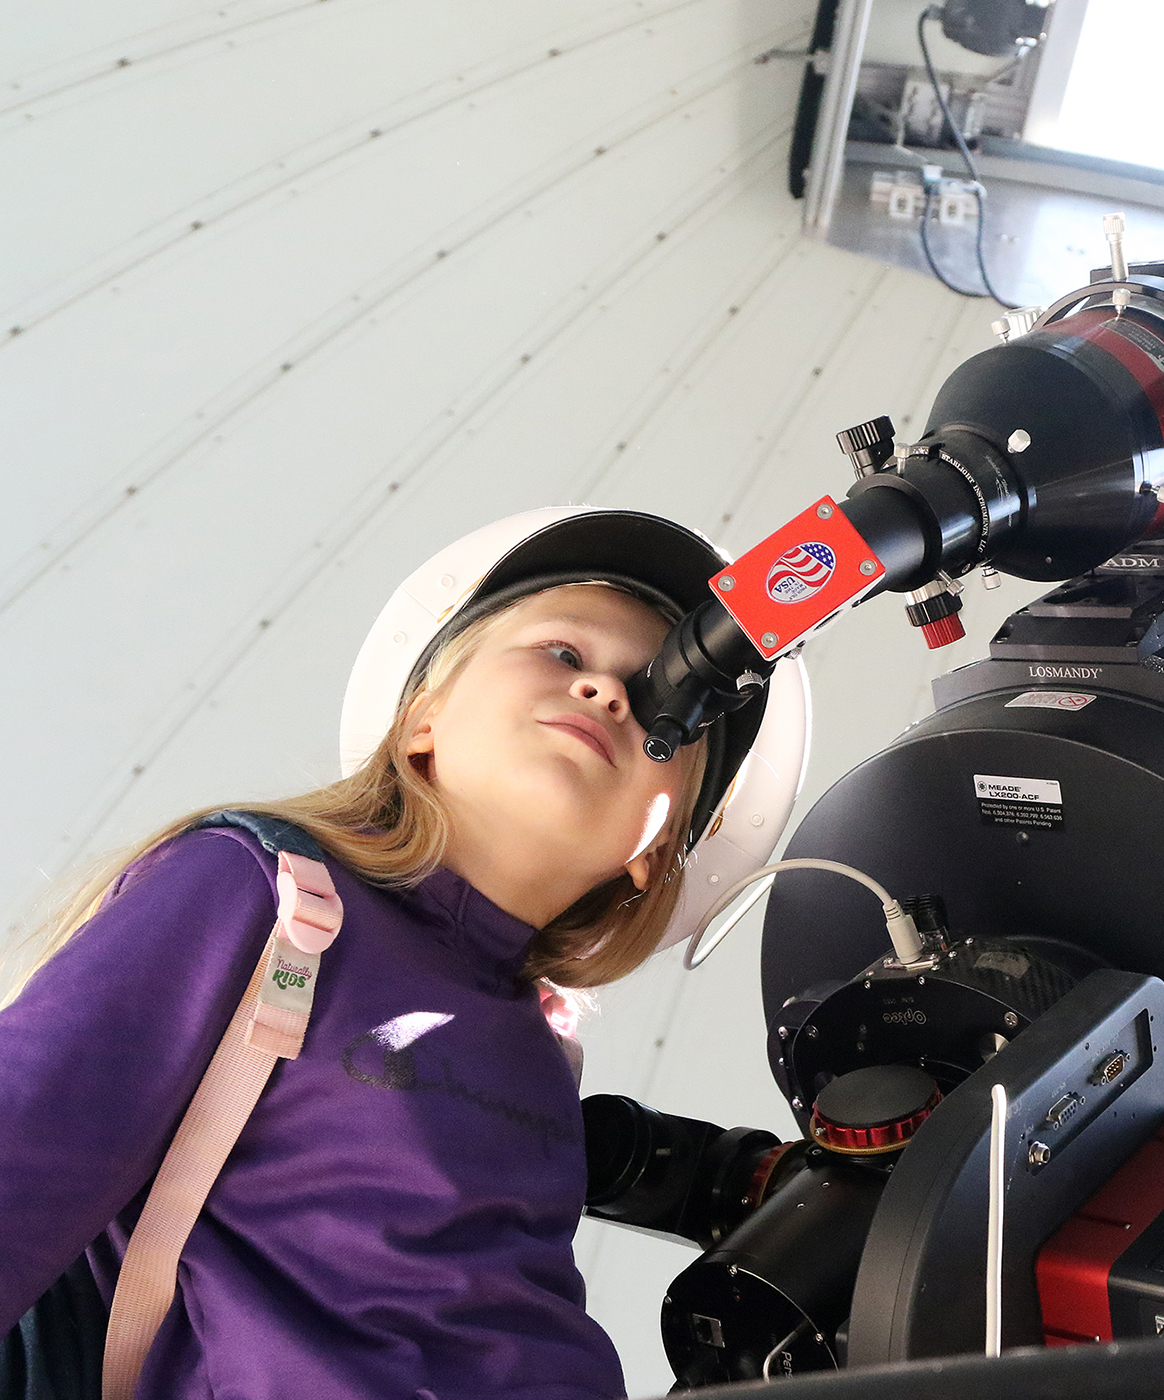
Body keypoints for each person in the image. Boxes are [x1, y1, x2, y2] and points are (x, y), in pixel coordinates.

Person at [0, 508, 774, 1400]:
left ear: (657, 847)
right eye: (564, 655)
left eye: (659, 709)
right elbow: (28, 1144)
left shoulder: (542, 1054)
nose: (606, 691)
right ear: (421, 719)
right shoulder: (263, 886)